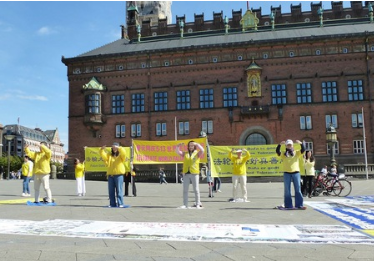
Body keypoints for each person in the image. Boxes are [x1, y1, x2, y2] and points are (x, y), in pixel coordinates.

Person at [276, 139, 306, 209]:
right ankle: (288, 205)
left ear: (292, 145)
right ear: (286, 146)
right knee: (287, 190)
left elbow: (303, 150)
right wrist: (280, 144)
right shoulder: (284, 154)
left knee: (298, 189)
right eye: (288, 145)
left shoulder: (296, 153)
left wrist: (301, 143)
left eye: (290, 145)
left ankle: (299, 204)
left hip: (296, 172)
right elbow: (277, 152)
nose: (289, 146)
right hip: (287, 173)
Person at [176, 140, 205, 209]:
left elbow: (203, 150)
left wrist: (197, 144)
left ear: (194, 146)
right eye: (189, 146)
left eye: (192, 145)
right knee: (185, 190)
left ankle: (198, 203)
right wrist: (178, 146)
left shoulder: (197, 153)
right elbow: (178, 152)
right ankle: (185, 204)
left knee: (196, 189)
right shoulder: (185, 154)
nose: (190, 147)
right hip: (186, 173)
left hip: (194, 173)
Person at [99, 142, 127, 208]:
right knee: (111, 191)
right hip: (110, 175)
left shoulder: (121, 155)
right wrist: (101, 150)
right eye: (113, 147)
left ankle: (120, 203)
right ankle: (112, 203)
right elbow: (104, 156)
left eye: (115, 147)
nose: (114, 148)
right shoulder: (109, 155)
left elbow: (124, 153)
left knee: (119, 190)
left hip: (119, 175)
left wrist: (119, 147)